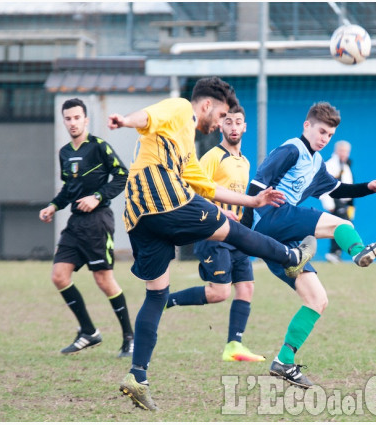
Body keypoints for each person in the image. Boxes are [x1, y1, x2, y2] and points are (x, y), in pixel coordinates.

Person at [107, 76, 316, 411]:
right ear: (207, 105)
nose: (219, 123)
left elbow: (205, 187)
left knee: (157, 294)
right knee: (233, 233)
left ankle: (137, 377)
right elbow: (147, 117)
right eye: (220, 116)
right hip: (164, 197)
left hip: (139, 216)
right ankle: (291, 256)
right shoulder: (179, 108)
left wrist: (253, 201)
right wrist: (124, 120)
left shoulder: (186, 144)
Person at [241, 102, 376, 388]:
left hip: (279, 238)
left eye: (329, 134)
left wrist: (367, 188)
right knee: (342, 226)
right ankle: (357, 252)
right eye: (321, 131)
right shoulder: (291, 150)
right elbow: (255, 185)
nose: (325, 138)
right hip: (272, 217)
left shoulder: (316, 164)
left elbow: (337, 189)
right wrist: (244, 232)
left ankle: (284, 362)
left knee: (317, 300)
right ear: (307, 126)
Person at [165, 105, 265, 363]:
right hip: (214, 233)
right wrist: (218, 213)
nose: (233, 127)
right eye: (228, 122)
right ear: (220, 126)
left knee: (246, 289)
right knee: (220, 293)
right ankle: (166, 299)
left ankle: (234, 346)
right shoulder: (212, 157)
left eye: (238, 122)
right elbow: (195, 192)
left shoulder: (244, 161)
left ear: (244, 127)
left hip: (237, 234)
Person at [38, 98, 134, 358]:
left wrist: (98, 197)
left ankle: (129, 337)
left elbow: (122, 176)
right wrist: (53, 206)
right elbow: (70, 189)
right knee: (59, 276)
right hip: (75, 223)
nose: (72, 123)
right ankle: (89, 331)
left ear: (86, 120)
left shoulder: (99, 147)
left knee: (103, 280)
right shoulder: (64, 153)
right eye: (68, 118)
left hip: (98, 222)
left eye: (76, 118)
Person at [320, 140, 354, 263]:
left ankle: (336, 253)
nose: (344, 154)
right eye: (342, 151)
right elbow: (325, 187)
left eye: (346, 151)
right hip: (335, 202)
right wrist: (329, 204)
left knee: (342, 226)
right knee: (342, 226)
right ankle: (334, 252)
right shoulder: (330, 165)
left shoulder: (345, 165)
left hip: (344, 202)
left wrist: (350, 203)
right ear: (336, 151)